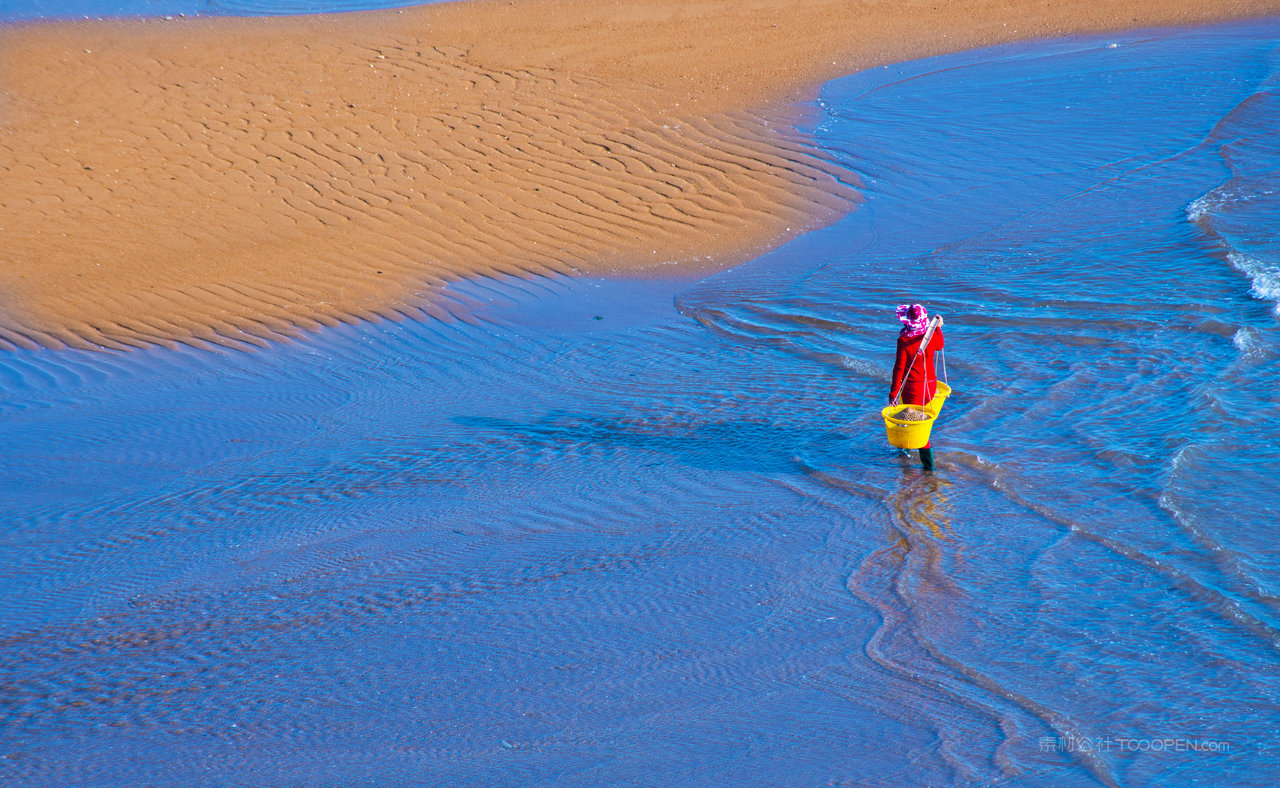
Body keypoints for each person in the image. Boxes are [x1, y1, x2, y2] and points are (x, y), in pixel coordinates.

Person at [889, 303, 944, 471]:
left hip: (912, 388)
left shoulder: (904, 340)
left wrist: (893, 393)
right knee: (919, 421)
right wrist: (938, 328)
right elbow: (940, 346)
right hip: (930, 386)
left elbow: (899, 368)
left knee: (915, 427)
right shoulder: (932, 334)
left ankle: (929, 469)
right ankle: (905, 454)